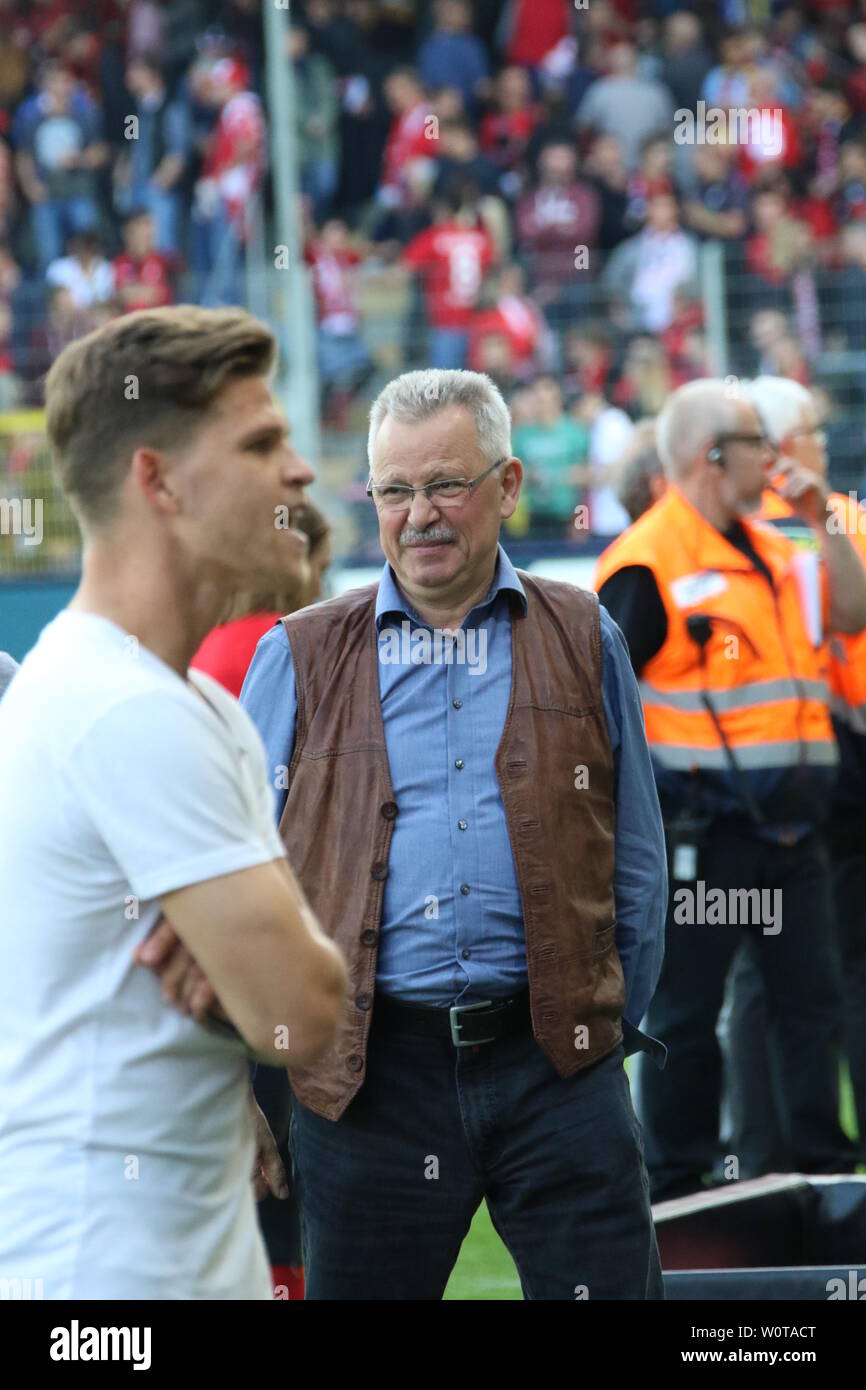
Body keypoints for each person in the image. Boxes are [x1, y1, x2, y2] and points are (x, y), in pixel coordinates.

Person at [239, 367, 668, 1301]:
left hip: (558, 1064)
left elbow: (636, 861)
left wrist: (608, 1026)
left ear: (508, 486)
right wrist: (244, 1080)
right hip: (367, 1082)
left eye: (446, 485)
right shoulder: (298, 654)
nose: (419, 514)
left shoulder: (585, 633)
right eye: (395, 490)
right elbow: (240, 876)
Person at [0, 305, 347, 1298]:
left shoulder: (184, 705)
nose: (300, 471)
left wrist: (253, 954)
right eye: (259, 442)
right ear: (157, 481)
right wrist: (264, 965)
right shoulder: (122, 712)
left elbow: (283, 988)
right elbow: (305, 1012)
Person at [594, 378, 866, 1202]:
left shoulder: (781, 548)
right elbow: (593, 708)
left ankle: (826, 1185)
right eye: (757, 442)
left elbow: (851, 616)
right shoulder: (646, 562)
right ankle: (678, 1194)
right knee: (686, 1016)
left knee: (810, 1008)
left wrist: (826, 522)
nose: (773, 455)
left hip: (791, 834)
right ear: (715, 458)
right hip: (701, 840)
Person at [721, 376, 866, 1169]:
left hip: (790, 774)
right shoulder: (814, 524)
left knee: (768, 976)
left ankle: (768, 1151)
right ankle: (789, 1153)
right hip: (818, 772)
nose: (821, 441)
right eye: (810, 429)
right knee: (805, 976)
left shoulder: (753, 529)